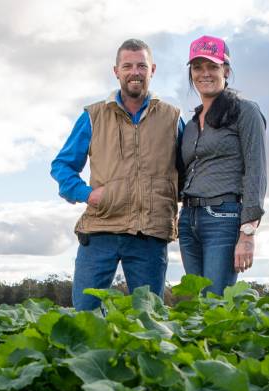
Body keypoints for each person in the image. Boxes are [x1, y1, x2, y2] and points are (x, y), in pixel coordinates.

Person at [50, 39, 183, 311]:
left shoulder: (172, 118)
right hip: (101, 230)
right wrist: (86, 194)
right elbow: (62, 166)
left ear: (152, 69)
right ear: (116, 71)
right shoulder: (93, 116)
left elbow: (190, 169)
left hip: (150, 234)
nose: (135, 71)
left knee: (147, 320)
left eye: (141, 66)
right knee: (85, 313)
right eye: (128, 66)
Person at [177, 35, 266, 296]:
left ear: (225, 70)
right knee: (196, 302)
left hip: (223, 217)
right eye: (197, 67)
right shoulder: (192, 124)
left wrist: (248, 232)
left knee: (215, 302)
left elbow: (256, 170)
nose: (204, 73)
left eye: (212, 67)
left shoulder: (245, 111)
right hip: (188, 220)